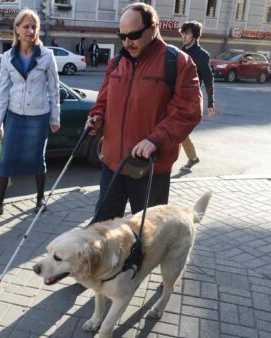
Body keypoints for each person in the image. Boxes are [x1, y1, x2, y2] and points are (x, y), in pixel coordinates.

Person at [86, 2, 202, 222]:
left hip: (150, 168)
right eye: (122, 36)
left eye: (134, 35)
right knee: (102, 231)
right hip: (113, 164)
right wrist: (96, 118)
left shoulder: (178, 62)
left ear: (153, 27)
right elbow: (102, 102)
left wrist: (155, 139)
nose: (127, 42)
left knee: (149, 236)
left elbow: (189, 111)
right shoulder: (117, 62)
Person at [0, 8, 61, 220]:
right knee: (5, 159)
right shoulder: (8, 57)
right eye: (26, 26)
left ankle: (40, 199)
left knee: (37, 159)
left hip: (39, 115)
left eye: (34, 26)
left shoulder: (46, 56)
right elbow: (3, 92)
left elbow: (54, 89)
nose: (30, 30)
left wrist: (55, 117)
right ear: (16, 29)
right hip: (15, 115)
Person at [179, 21, 215, 171]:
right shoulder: (181, 51)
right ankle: (192, 158)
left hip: (191, 99)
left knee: (179, 129)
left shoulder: (202, 55)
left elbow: (208, 79)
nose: (184, 36)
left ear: (194, 35)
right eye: (183, 33)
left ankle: (192, 157)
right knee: (175, 128)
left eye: (187, 33)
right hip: (177, 95)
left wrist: (210, 103)